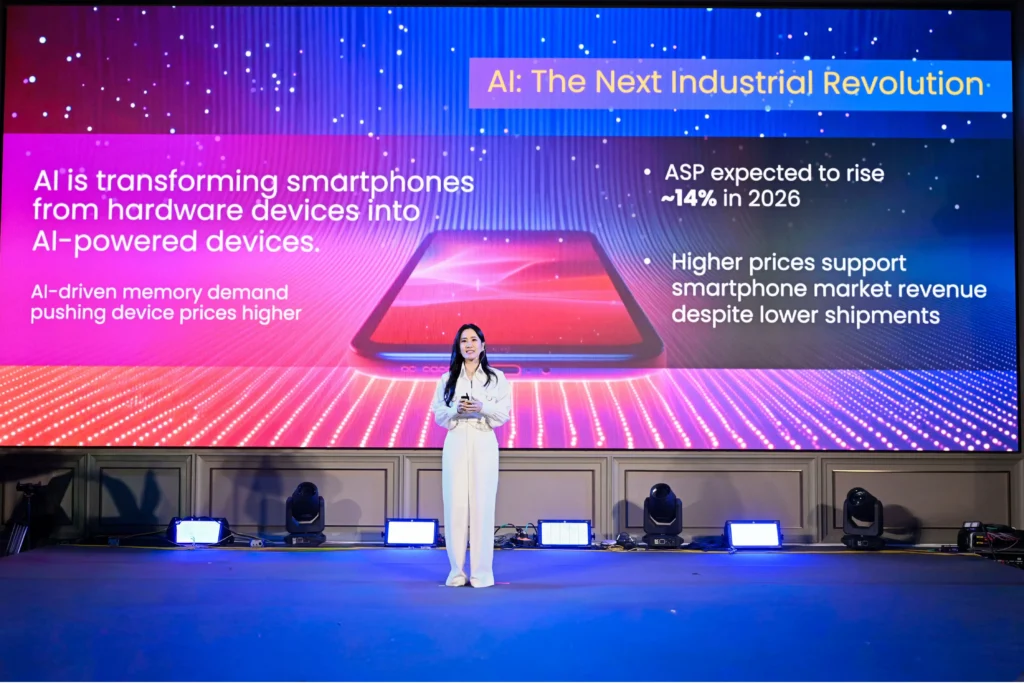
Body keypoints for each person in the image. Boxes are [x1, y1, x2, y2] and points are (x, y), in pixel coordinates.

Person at [431, 323, 511, 587]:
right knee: (455, 506)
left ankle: (481, 574)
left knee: (482, 506)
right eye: (464, 340)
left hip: (483, 439)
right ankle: (456, 572)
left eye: (474, 340)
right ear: (458, 346)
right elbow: (439, 415)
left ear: (483, 345)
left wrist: (481, 407)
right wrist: (455, 410)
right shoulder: (447, 379)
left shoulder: (497, 378)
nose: (469, 345)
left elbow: (503, 414)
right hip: (455, 440)